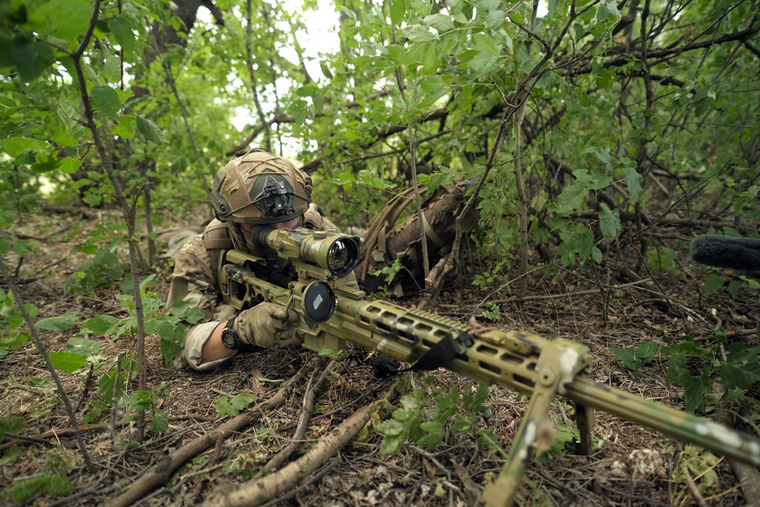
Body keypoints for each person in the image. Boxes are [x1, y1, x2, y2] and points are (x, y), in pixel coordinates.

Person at [167, 149, 345, 371]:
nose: (282, 233)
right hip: (201, 247)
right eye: (262, 226)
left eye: (289, 220)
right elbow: (175, 346)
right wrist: (241, 330)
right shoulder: (201, 252)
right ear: (233, 223)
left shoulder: (318, 232)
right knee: (175, 241)